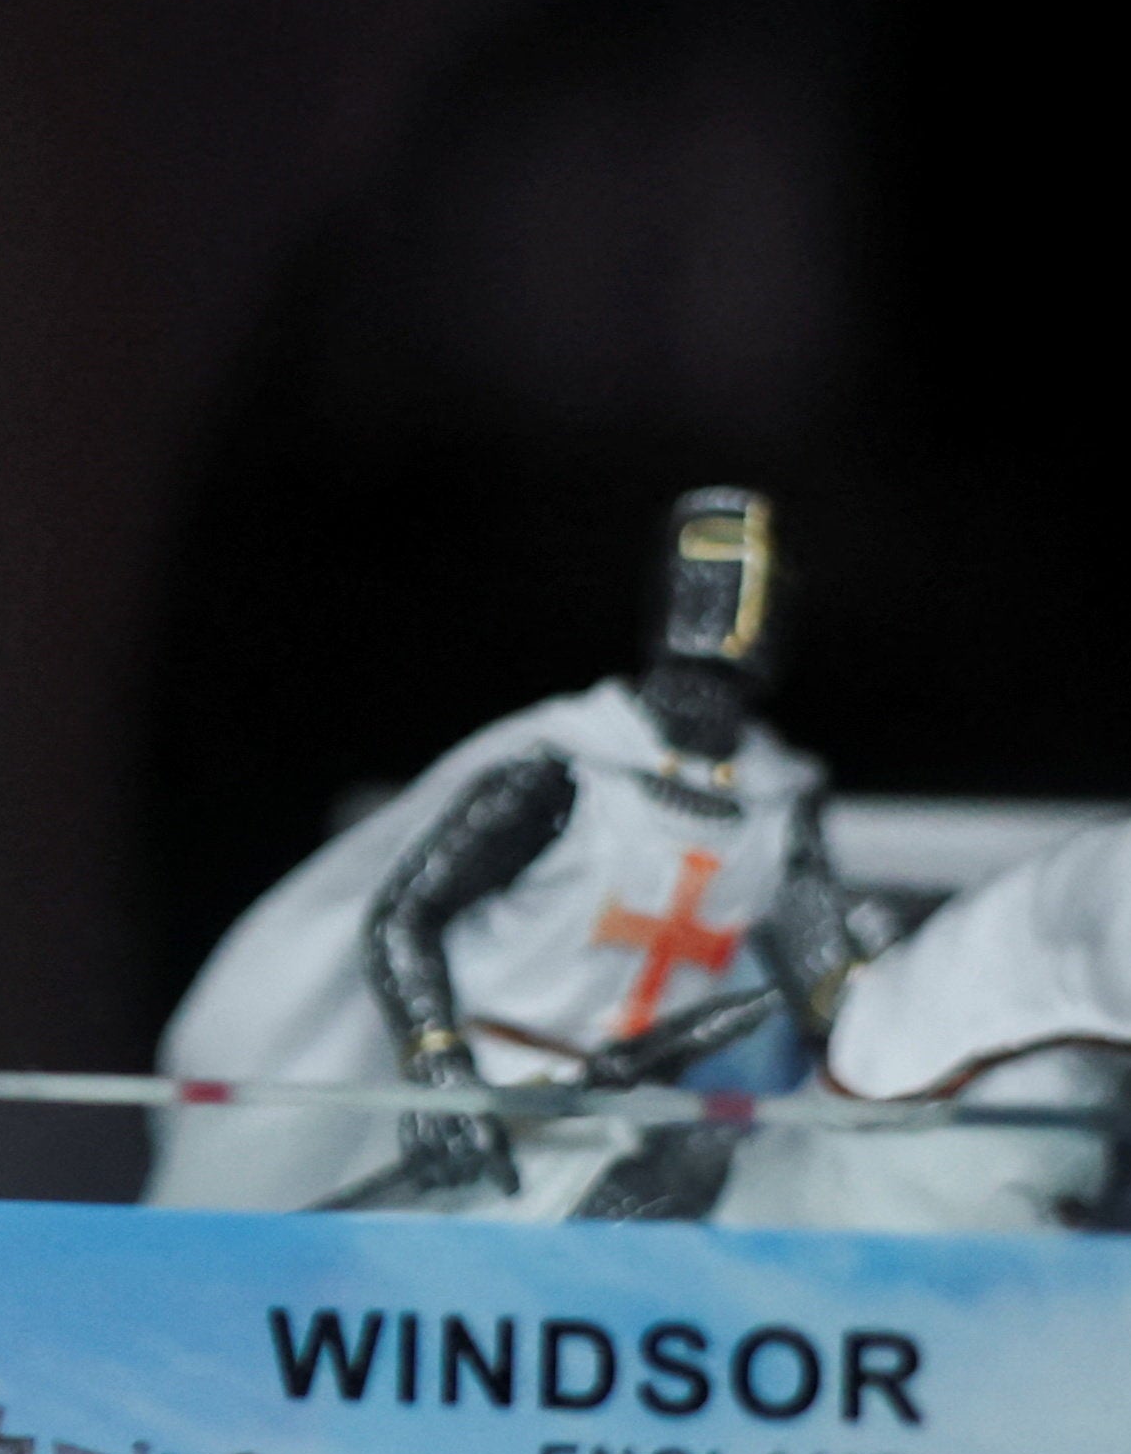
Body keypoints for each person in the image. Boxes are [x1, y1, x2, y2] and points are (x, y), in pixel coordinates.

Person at [149, 489, 859, 1210]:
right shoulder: (565, 772)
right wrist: (440, 1071)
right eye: (695, 675)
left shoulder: (776, 808)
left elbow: (828, 989)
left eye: (726, 682)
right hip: (484, 1108)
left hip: (626, 1124)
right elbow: (407, 912)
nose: (707, 696)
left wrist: (862, 976)